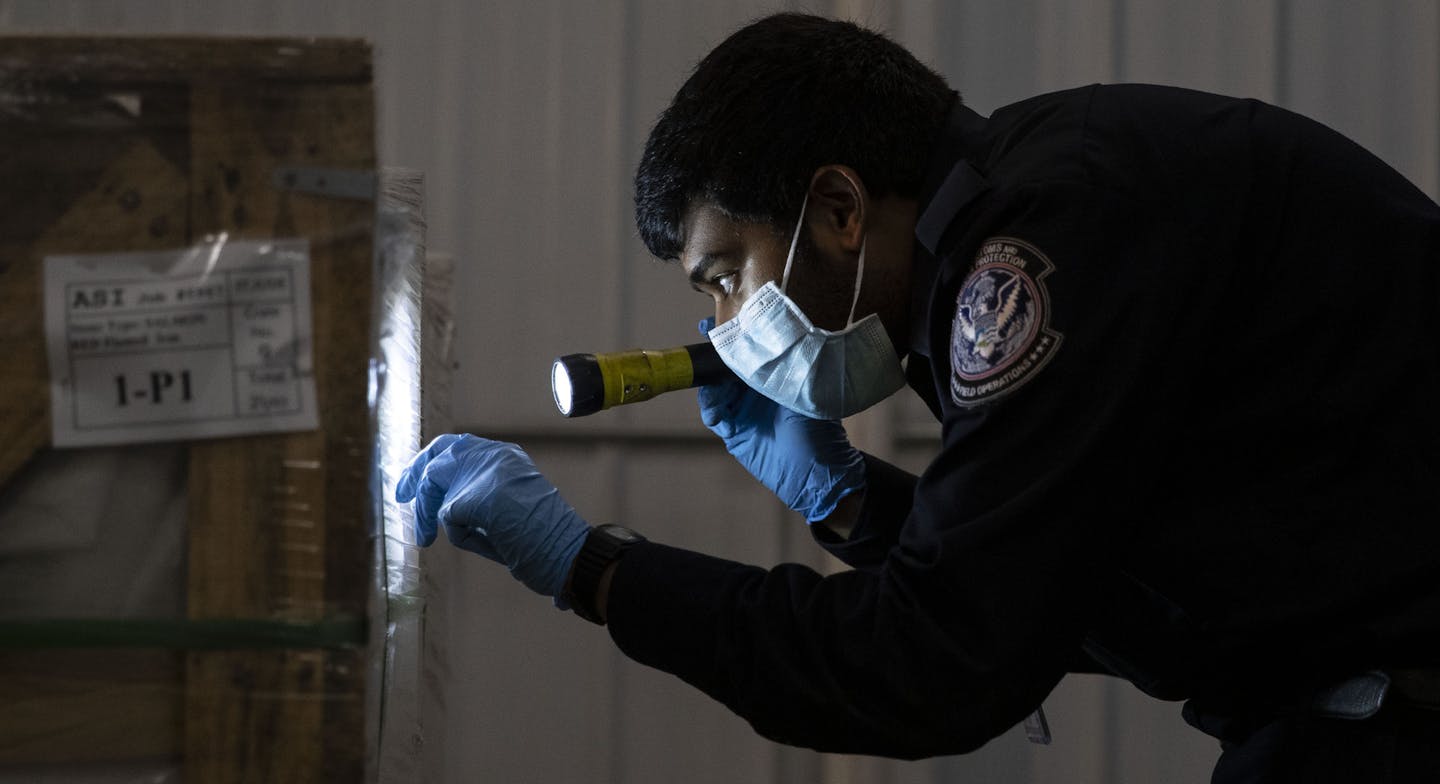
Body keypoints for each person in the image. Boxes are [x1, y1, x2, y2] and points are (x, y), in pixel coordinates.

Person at [396, 12, 1440, 782]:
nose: (721, 331)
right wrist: (850, 505)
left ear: (839, 208)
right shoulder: (1022, 221)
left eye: (726, 275)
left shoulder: (1033, 259)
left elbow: (937, 663)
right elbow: (1069, 598)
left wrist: (593, 568)